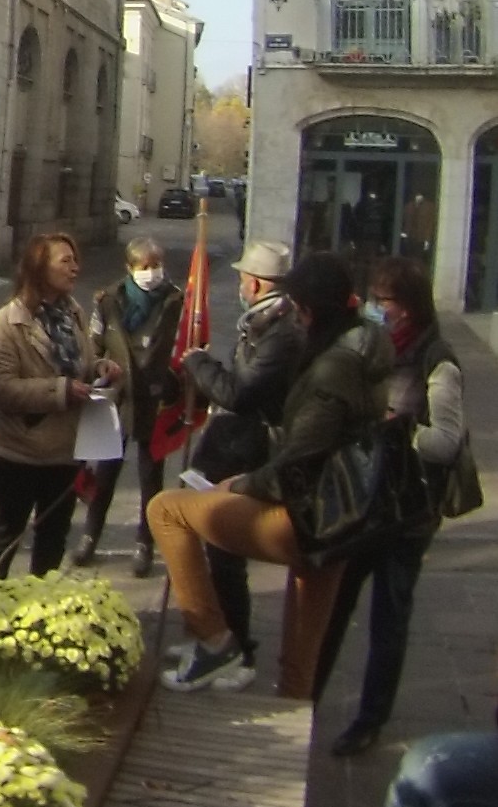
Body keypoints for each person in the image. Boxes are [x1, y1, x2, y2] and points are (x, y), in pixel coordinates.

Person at [150, 252, 388, 697]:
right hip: (344, 519)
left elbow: (299, 460)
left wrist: (240, 484)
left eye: (296, 307)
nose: (292, 316)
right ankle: (290, 705)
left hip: (310, 516)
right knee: (299, 667)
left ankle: (215, 641)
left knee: (167, 510)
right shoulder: (366, 347)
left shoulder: (333, 369)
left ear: (310, 311)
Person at [313, 255, 473, 753]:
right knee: (333, 604)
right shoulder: (373, 347)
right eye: (377, 299)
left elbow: (445, 441)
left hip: (407, 513)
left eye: (388, 301)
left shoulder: (437, 361)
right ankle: (306, 695)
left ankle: (370, 720)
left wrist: (397, 429)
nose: (380, 308)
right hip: (363, 502)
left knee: (389, 615)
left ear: (411, 306)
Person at [181, 239, 306, 680]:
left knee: (226, 550)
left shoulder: (281, 332)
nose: (239, 286)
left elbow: (241, 393)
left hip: (256, 451)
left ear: (254, 284)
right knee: (216, 546)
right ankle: (216, 637)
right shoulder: (265, 321)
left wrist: (199, 364)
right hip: (240, 444)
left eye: (242, 279)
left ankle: (235, 647)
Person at [0, 233, 122, 590]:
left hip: (65, 454)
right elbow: (2, 388)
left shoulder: (74, 313)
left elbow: (81, 363)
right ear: (39, 267)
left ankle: (41, 610)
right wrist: (60, 391)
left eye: (75, 260)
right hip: (19, 453)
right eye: (65, 261)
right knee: (5, 537)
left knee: (52, 542)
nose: (75, 268)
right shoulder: (9, 321)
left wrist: (99, 368)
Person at [73, 236, 185, 575]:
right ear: (130, 268)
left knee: (151, 475)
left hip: (155, 395)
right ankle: (90, 535)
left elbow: (185, 343)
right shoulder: (109, 300)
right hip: (118, 394)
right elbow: (94, 342)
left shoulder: (175, 300)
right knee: (106, 470)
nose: (151, 273)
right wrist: (96, 369)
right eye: (144, 266)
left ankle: (145, 542)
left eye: (156, 265)